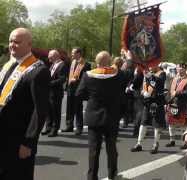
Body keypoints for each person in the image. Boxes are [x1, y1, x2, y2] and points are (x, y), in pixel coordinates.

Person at [0, 28, 50, 180]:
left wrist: (29, 142)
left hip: (18, 139)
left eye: (17, 42)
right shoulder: (8, 65)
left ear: (29, 44)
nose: (12, 45)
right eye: (10, 41)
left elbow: (40, 110)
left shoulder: (38, 70)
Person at [76, 51, 125, 180]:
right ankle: (112, 175)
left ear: (96, 62)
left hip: (93, 115)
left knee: (93, 150)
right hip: (111, 115)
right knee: (111, 149)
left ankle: (92, 176)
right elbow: (123, 91)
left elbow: (79, 94)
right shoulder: (118, 75)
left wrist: (92, 97)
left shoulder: (87, 75)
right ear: (110, 62)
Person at [131, 65, 167, 154]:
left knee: (156, 124)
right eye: (147, 68)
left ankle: (155, 144)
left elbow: (160, 82)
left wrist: (151, 76)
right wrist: (137, 73)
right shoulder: (144, 74)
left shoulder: (161, 74)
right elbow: (135, 84)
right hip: (147, 103)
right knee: (143, 123)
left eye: (150, 67)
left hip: (157, 103)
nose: (148, 69)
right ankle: (139, 144)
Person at [63, 47, 91, 135]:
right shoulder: (72, 62)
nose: (71, 54)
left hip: (78, 89)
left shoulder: (86, 64)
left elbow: (86, 78)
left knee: (78, 109)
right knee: (69, 108)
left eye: (73, 53)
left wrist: (77, 80)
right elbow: (69, 75)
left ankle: (79, 127)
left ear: (78, 53)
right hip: (70, 88)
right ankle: (69, 126)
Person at [165, 63, 187, 149]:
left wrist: (177, 93)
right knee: (170, 123)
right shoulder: (174, 79)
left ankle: (185, 142)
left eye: (181, 69)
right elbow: (170, 90)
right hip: (172, 103)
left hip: (182, 104)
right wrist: (167, 100)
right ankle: (172, 140)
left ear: (185, 70)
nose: (179, 70)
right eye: (178, 69)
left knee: (183, 125)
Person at [41, 49, 67, 137]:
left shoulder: (62, 65)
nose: (49, 60)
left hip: (56, 93)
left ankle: (55, 129)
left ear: (56, 56)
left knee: (55, 112)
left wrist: (50, 83)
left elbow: (62, 79)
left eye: (51, 58)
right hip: (49, 92)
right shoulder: (53, 64)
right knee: (49, 111)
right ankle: (48, 127)